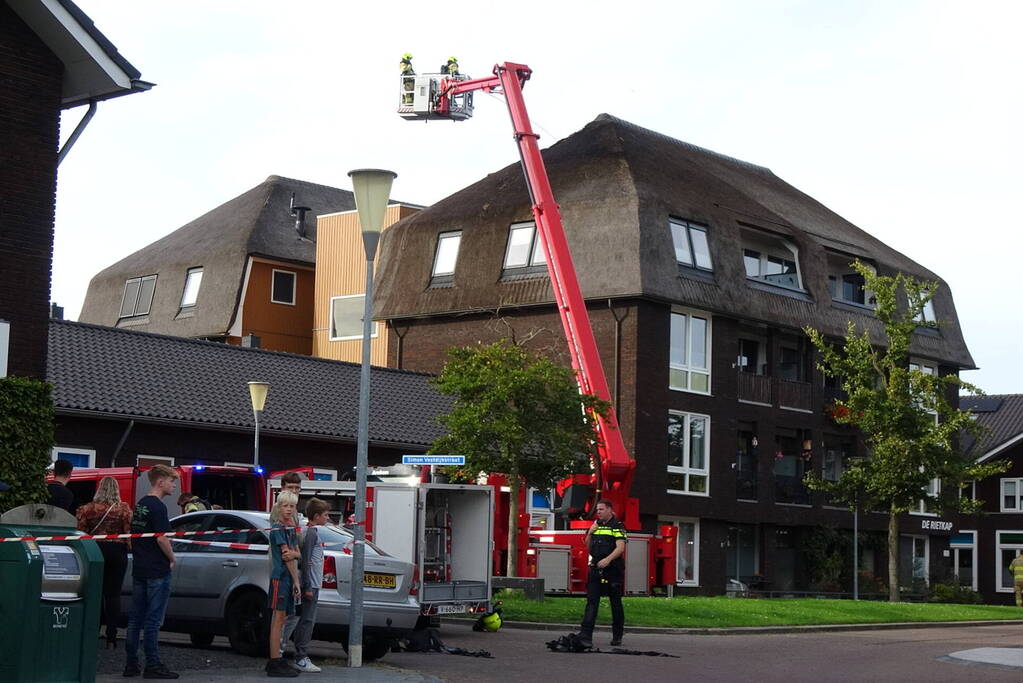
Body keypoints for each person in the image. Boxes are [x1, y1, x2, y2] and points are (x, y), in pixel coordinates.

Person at [123, 465, 179, 679]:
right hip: (157, 569)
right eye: (171, 481)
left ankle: (131, 664)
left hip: (140, 568)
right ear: (160, 482)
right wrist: (172, 558)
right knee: (153, 620)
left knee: (135, 618)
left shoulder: (140, 505)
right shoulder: (158, 507)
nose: (174, 485)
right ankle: (153, 664)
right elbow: (161, 538)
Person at [76, 476, 133, 648]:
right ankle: (111, 637)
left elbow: (80, 533)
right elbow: (128, 534)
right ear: (116, 490)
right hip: (117, 551)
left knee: (94, 592)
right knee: (113, 594)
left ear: (99, 489)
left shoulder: (87, 509)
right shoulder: (124, 509)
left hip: (95, 550)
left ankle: (92, 632)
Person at [282, 497, 330, 673]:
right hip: (312, 584)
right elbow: (307, 559)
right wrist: (308, 587)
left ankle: (291, 652)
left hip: (314, 583)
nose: (328, 518)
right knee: (306, 620)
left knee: (303, 619)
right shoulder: (311, 533)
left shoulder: (312, 531)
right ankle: (300, 656)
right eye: (325, 515)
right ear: (316, 516)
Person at [577, 499, 627, 649]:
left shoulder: (617, 526)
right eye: (597, 510)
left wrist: (608, 559)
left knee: (615, 603)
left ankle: (617, 636)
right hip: (595, 568)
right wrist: (590, 532)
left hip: (613, 569)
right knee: (591, 602)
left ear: (610, 510)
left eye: (601, 509)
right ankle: (586, 636)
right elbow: (587, 544)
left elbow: (621, 547)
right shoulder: (595, 525)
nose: (598, 512)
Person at [266, 490, 302, 678]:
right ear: (279, 507)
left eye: (292, 506)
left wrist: (295, 580)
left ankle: (278, 657)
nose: (289, 509)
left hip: (289, 578)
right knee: (278, 619)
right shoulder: (278, 528)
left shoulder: (291, 528)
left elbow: (296, 553)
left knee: (284, 618)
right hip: (280, 577)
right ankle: (274, 660)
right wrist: (295, 579)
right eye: (285, 506)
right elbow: (287, 555)